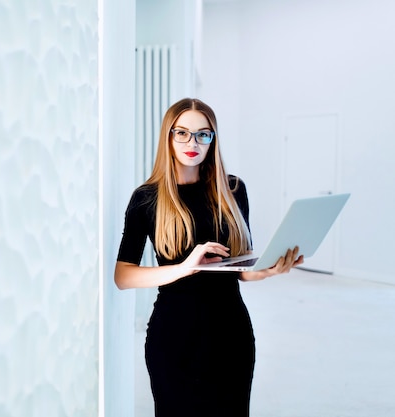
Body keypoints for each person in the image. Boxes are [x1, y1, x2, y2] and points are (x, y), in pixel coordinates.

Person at [114, 98, 304, 416]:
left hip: (231, 336)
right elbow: (124, 276)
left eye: (204, 134)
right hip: (174, 338)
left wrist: (269, 269)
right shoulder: (146, 198)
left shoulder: (233, 189)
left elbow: (242, 268)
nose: (193, 142)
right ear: (168, 137)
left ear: (213, 140)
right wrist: (185, 268)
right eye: (183, 133)